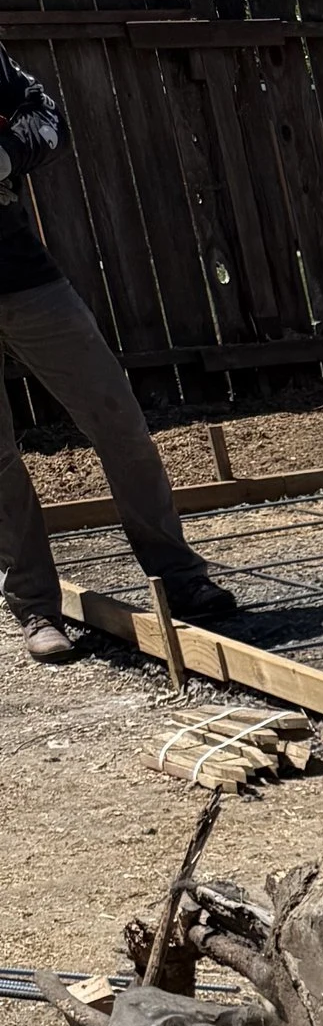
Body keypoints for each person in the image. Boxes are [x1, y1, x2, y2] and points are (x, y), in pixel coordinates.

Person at [1, 43, 236, 665]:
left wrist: (3, 154)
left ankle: (178, 579)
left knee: (119, 423)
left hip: (23, 275)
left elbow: (44, 116)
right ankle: (34, 608)